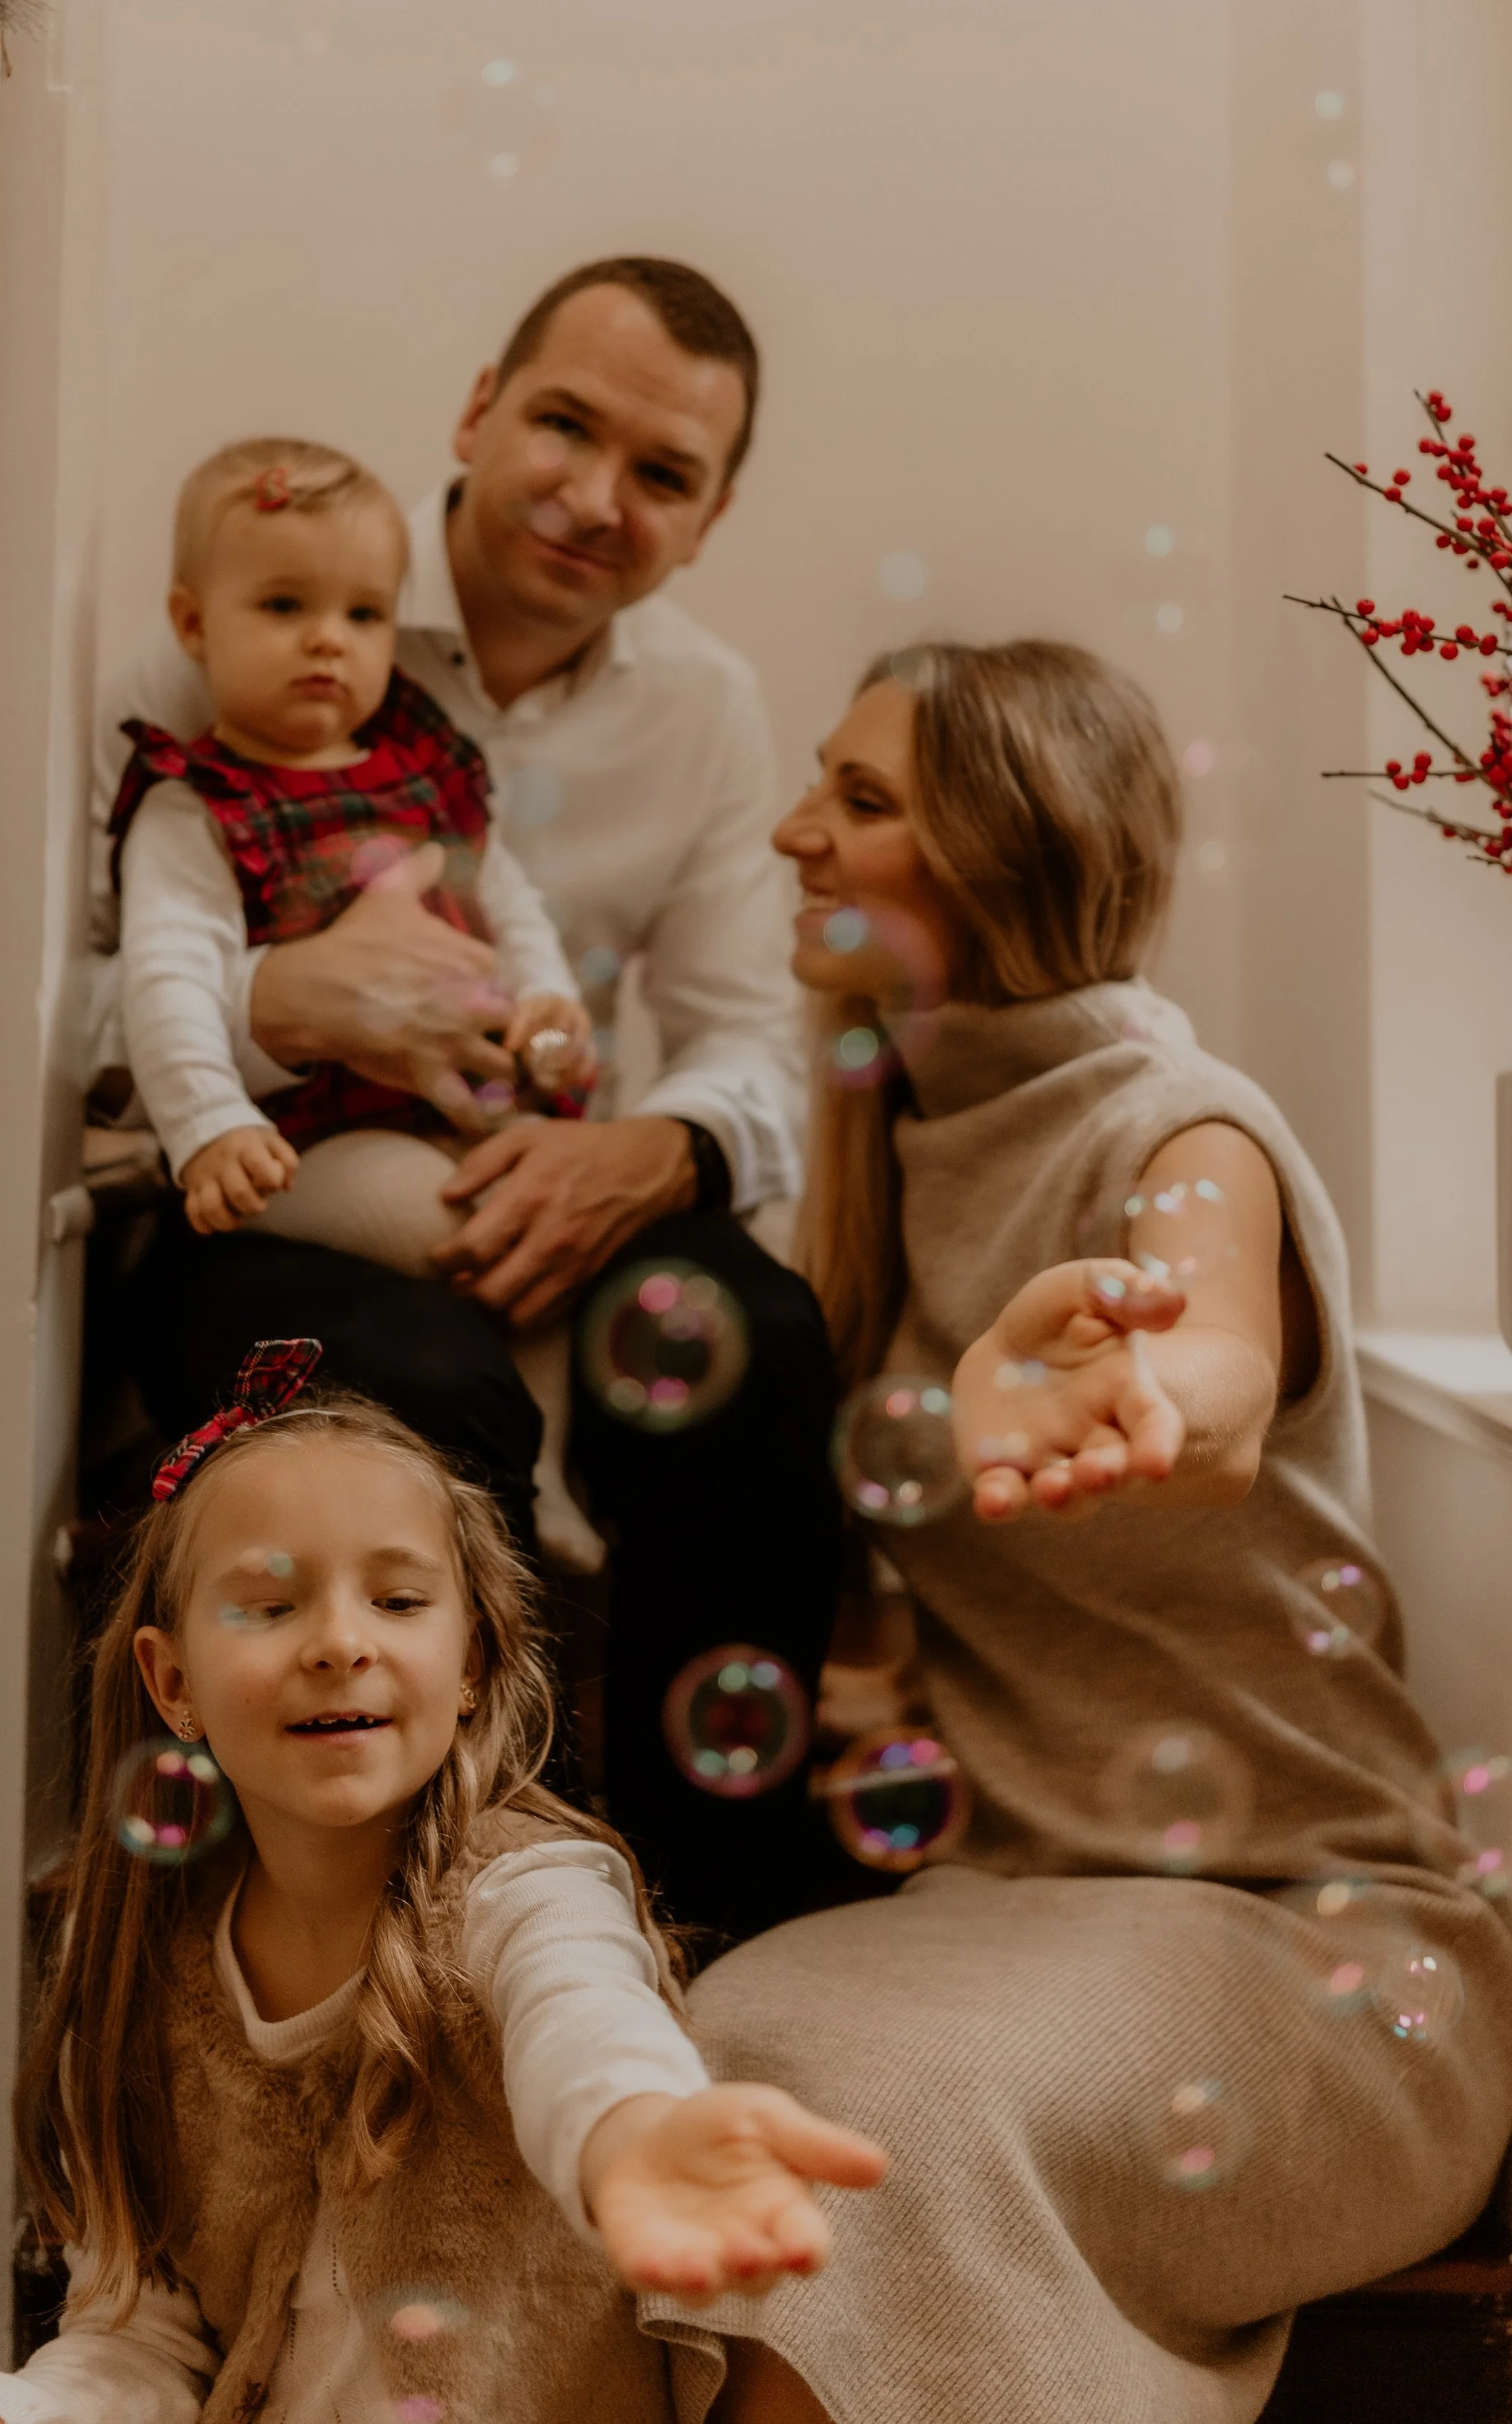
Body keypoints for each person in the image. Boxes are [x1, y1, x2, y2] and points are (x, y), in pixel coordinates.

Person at [642, 640, 1512, 2423]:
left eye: (862, 801)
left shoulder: (1180, 1129)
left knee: (874, 2131)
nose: (796, 834)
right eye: (816, 781)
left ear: (1007, 853)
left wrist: (1140, 1398)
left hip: (1304, 1927)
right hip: (1002, 1895)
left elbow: (1209, 1347)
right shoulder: (884, 1140)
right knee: (715, 2073)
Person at [91, 257, 847, 1942]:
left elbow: (744, 1041)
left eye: (662, 477)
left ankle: (714, 1900)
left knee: (760, 1341)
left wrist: (645, 1148)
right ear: (477, 413)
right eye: (563, 428)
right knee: (414, 1390)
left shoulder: (702, 709)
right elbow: (51, 1002)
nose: (594, 500)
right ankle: (465, 1910)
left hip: (541, 1185)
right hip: (258, 1199)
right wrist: (269, 1001)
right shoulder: (259, 590)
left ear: (708, 522)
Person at [0, 1349, 886, 2424]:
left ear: (471, 1661)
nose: (340, 1642)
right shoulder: (153, 1978)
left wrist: (632, 2131)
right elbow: (140, 2343)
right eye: (270, 1604)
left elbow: (584, 2018)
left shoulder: (526, 1892)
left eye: (397, 1597)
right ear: (173, 1681)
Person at [110, 433, 598, 1567]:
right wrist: (209, 1125)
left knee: (562, 1234)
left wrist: (550, 1003)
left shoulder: (422, 767)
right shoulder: (200, 806)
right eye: (284, 605)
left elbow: (510, 899)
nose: (329, 638)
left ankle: (553, 1484)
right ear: (194, 625)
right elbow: (165, 978)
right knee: (480, 1223)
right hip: (303, 1146)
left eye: (364, 614)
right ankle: (525, 1496)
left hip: (458, 1108)